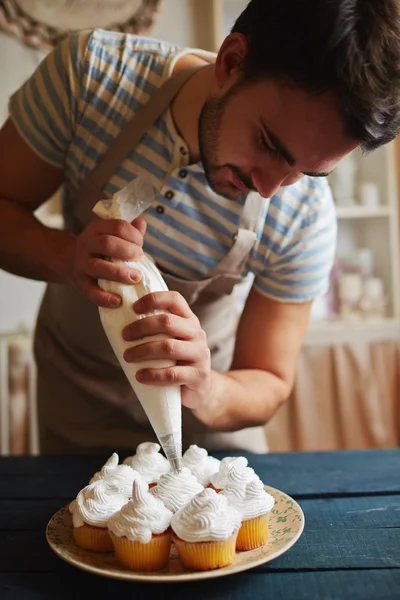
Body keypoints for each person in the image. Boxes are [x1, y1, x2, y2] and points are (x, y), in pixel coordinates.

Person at [1, 0, 399, 455]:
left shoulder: (304, 213)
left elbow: (269, 380)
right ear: (231, 62)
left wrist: (206, 386)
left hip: (209, 437)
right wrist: (67, 258)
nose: (269, 189)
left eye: (307, 172)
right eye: (268, 144)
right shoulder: (89, 78)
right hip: (77, 414)